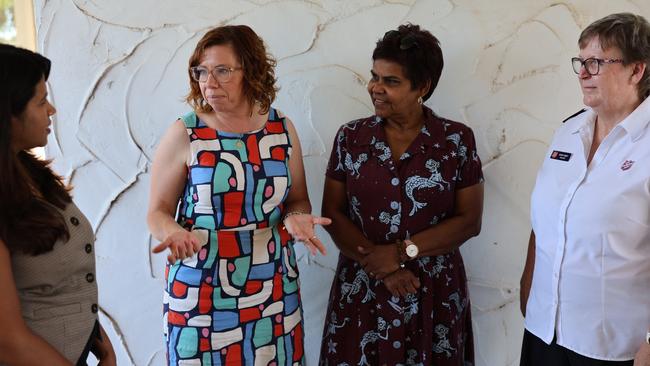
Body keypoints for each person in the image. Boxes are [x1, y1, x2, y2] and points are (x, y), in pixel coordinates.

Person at [147, 25, 331, 365]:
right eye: (201, 71)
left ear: (252, 70)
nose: (208, 82)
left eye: (222, 71)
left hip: (273, 288)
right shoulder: (185, 132)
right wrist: (174, 234)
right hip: (200, 291)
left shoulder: (281, 129)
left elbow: (297, 199)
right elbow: (156, 211)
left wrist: (295, 219)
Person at [318, 24, 484, 365]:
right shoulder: (350, 138)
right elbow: (332, 213)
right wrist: (383, 267)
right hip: (362, 290)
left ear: (421, 87)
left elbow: (469, 221)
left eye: (390, 81)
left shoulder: (455, 141)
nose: (375, 88)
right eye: (374, 76)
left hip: (432, 293)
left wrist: (401, 252)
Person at [520, 12, 650, 366]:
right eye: (581, 61)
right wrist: (529, 286)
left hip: (612, 347)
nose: (583, 73)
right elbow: (547, 216)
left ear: (636, 70)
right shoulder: (568, 132)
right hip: (544, 330)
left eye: (596, 62)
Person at [0, 45, 116, 365]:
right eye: (40, 101)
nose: (51, 110)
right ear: (7, 114)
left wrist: (98, 339)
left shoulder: (30, 174)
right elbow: (6, 340)